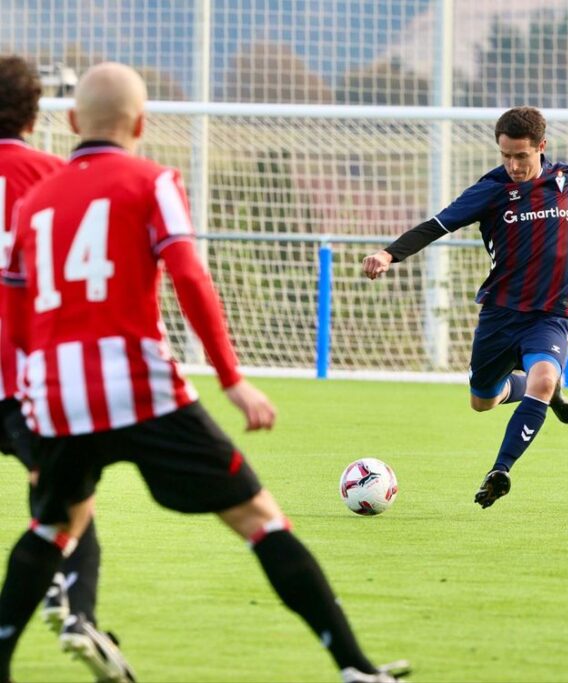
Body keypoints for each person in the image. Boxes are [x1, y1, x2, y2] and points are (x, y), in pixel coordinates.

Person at [0, 62, 407, 683]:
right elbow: (188, 275)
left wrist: (42, 384)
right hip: (143, 391)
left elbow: (17, 312)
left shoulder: (35, 203)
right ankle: (354, 668)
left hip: (61, 397)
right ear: (141, 124)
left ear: (75, 121)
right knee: (260, 520)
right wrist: (231, 378)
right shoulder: (153, 181)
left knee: (54, 528)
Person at [362, 106, 568, 508]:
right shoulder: (491, 189)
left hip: (552, 314)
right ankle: (536, 387)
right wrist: (389, 254)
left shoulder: (567, 180)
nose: (513, 165)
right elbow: (437, 225)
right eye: (505, 155)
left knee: (542, 379)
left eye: (521, 156)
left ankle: (500, 470)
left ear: (542, 147)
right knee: (482, 401)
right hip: (501, 315)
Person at [0, 54, 135, 680]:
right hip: (21, 374)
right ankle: (76, 610)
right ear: (35, 115)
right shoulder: (54, 179)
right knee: (68, 501)